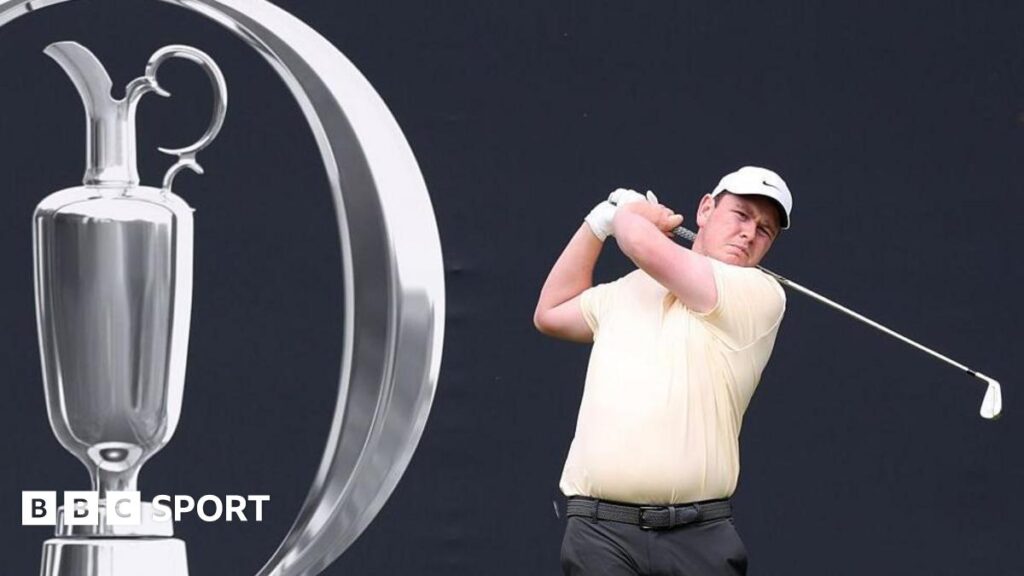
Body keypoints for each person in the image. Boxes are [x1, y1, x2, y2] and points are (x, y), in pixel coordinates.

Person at [533, 166, 793, 576]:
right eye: (741, 215)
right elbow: (551, 312)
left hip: (699, 537)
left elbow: (640, 242)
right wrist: (596, 224)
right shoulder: (628, 289)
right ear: (705, 209)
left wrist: (629, 214)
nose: (749, 233)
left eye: (764, 230)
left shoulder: (760, 295)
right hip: (601, 534)